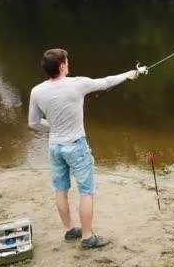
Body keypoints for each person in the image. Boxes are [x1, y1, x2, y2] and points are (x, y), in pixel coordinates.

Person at [28, 48, 139, 249]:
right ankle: (87, 238)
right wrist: (130, 75)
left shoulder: (36, 91)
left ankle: (70, 230)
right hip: (76, 147)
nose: (68, 64)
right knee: (86, 191)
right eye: (67, 62)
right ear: (62, 66)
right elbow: (106, 82)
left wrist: (52, 126)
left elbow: (33, 123)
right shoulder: (78, 84)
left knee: (60, 189)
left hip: (55, 147)